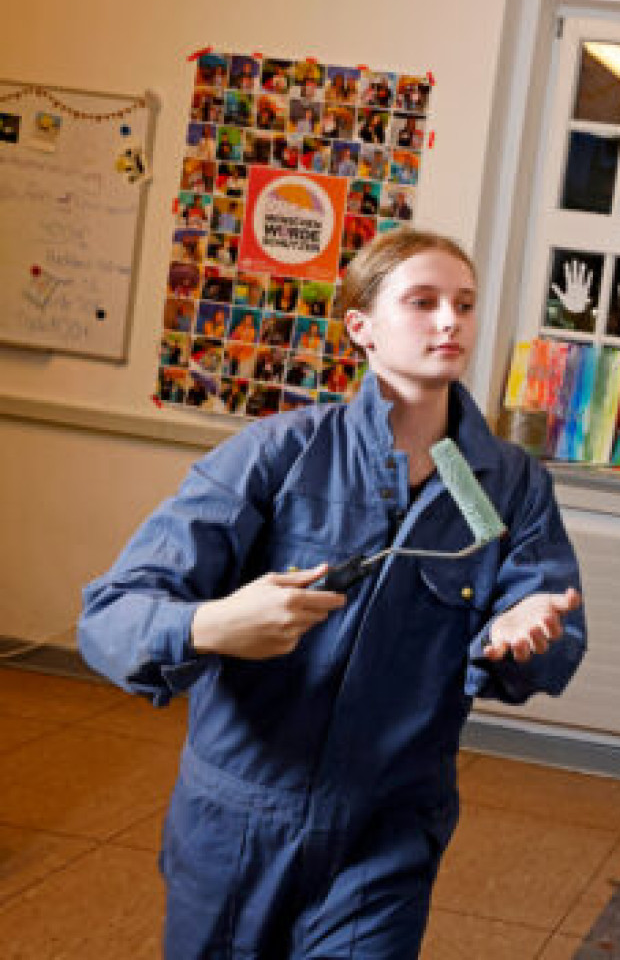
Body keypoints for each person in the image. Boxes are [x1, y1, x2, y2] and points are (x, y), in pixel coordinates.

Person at [78, 228, 587, 959]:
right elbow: (111, 615)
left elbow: (552, 622)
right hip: (238, 821)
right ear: (362, 328)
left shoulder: (509, 483)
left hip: (388, 828)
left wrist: (528, 627)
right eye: (423, 302)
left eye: (465, 304)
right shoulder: (277, 453)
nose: (451, 321)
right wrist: (214, 624)